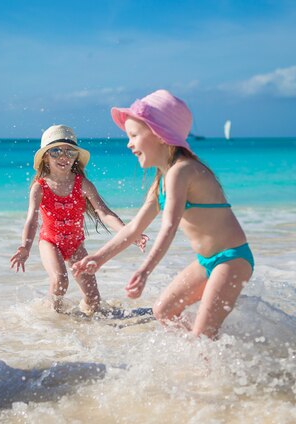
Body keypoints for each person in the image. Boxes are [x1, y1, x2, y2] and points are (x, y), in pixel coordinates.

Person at [73, 90, 254, 338]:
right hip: (206, 262)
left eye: (134, 135)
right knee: (164, 311)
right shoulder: (161, 180)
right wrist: (99, 258)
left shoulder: (183, 171)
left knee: (203, 335)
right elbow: (134, 227)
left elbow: (169, 225)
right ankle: (205, 359)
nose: (129, 143)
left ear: (159, 135)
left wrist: (145, 270)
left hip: (231, 260)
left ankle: (209, 362)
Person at [10, 125, 148, 314]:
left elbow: (104, 213)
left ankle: (87, 324)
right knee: (60, 282)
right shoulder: (40, 187)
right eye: (56, 151)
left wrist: (130, 233)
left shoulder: (82, 185)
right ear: (45, 157)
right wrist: (25, 247)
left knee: (93, 298)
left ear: (76, 157)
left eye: (69, 151)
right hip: (50, 242)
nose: (63, 156)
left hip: (75, 244)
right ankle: (53, 319)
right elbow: (32, 220)